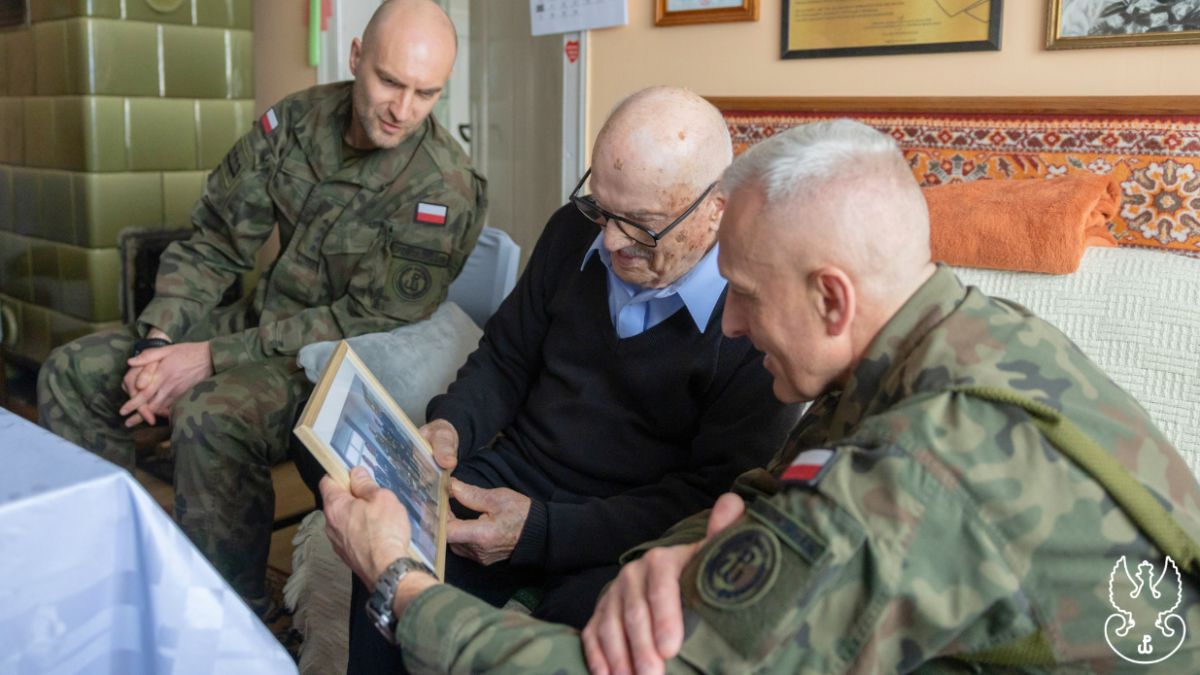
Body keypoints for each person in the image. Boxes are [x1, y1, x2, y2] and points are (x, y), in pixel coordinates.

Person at [319, 118, 1200, 673]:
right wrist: (668, 557)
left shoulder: (912, 478)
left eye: (743, 293)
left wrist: (399, 581)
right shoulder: (963, 333)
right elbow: (773, 488)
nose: (731, 323)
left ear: (831, 299)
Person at [303, 85, 800, 672]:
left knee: (586, 637)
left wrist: (542, 531)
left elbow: (709, 495)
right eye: (601, 208)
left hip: (635, 528)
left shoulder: (751, 313)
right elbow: (506, 357)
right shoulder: (572, 232)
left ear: (715, 207)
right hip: (518, 473)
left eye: (640, 225)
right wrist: (451, 426)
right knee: (393, 546)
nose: (610, 240)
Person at [37, 0, 486, 616]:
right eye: (389, 81)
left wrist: (210, 358)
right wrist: (158, 343)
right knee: (72, 371)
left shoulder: (443, 187)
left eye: (425, 92)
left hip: (336, 363)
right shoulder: (296, 123)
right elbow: (218, 240)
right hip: (262, 324)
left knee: (210, 412)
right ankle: (106, 569)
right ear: (356, 56)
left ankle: (233, 615)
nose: (402, 109)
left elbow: (363, 320)